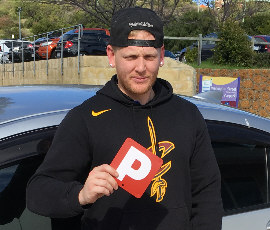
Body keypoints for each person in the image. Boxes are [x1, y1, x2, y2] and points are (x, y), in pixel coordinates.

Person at [26, 7, 223, 230]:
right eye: (130, 57)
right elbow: (37, 192)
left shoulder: (188, 115)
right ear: (111, 55)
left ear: (161, 55)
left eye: (149, 57)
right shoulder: (84, 119)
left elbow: (207, 194)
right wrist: (81, 194)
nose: (141, 68)